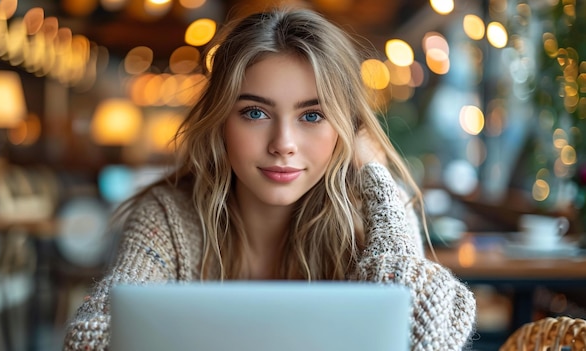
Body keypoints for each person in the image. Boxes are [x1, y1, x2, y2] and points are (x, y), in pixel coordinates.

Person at [63, 5, 476, 350]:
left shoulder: (372, 216)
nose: (283, 143)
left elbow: (431, 338)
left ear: (346, 131)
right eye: (255, 112)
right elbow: (90, 340)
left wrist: (376, 172)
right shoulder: (170, 218)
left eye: (312, 115)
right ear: (221, 122)